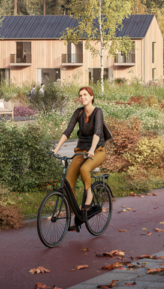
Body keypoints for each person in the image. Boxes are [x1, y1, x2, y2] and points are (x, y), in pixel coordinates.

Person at [53, 86, 111, 226]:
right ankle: (78, 215)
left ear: (91, 96)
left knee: (84, 169)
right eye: (80, 95)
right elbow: (68, 131)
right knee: (68, 183)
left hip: (97, 151)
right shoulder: (78, 112)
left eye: (85, 95)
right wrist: (56, 149)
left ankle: (89, 193)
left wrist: (92, 149)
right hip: (81, 151)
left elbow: (97, 132)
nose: (82, 97)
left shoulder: (98, 112)